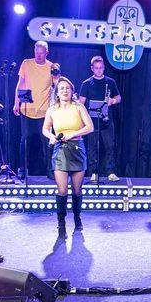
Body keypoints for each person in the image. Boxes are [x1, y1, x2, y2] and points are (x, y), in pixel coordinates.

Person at [42, 77, 93, 239]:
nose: (65, 90)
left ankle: (77, 217)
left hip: (77, 149)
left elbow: (90, 127)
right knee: (62, 190)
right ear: (57, 92)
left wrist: (73, 134)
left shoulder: (79, 107)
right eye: (61, 88)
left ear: (72, 91)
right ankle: (61, 223)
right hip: (60, 150)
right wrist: (51, 136)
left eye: (67, 88)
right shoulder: (52, 110)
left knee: (77, 190)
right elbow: (45, 129)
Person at [14, 40, 57, 178]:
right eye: (36, 52)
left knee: (47, 141)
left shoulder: (51, 66)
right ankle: (22, 169)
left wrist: (57, 74)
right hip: (27, 108)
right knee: (25, 140)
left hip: (45, 110)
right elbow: (20, 84)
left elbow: (57, 85)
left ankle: (50, 169)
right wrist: (16, 103)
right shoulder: (26, 63)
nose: (38, 56)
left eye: (41, 53)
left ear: (46, 53)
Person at [78, 56, 122, 184]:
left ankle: (110, 172)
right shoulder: (86, 83)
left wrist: (112, 101)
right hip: (91, 122)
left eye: (101, 68)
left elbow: (118, 98)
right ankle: (94, 173)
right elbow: (81, 103)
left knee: (109, 146)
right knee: (92, 147)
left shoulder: (110, 82)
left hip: (107, 120)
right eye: (96, 68)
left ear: (104, 68)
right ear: (92, 68)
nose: (99, 70)